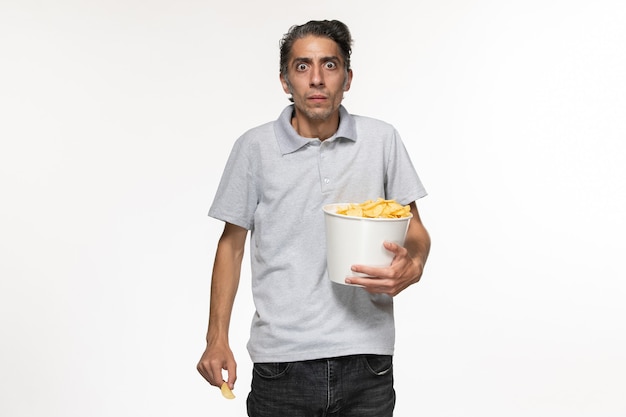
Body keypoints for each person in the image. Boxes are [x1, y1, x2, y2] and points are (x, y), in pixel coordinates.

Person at [197, 19, 431, 416]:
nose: (317, 79)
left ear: (348, 77)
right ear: (285, 81)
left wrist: (415, 264)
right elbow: (232, 245)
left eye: (330, 65)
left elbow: (416, 230)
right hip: (281, 363)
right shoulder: (254, 148)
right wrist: (216, 337)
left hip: (368, 358)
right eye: (303, 67)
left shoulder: (382, 140)